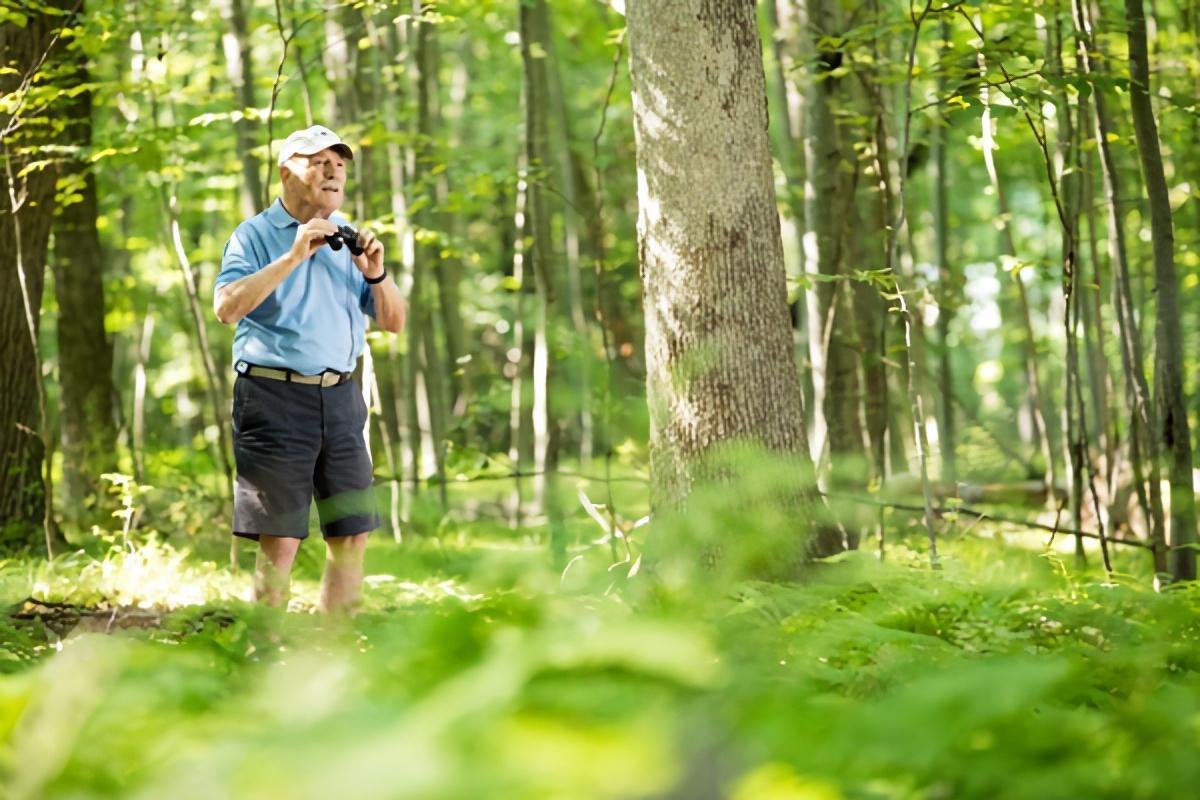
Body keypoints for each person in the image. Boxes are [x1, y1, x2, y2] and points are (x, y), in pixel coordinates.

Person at [213, 124, 406, 614]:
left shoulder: (352, 237)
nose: (333, 170)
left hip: (342, 399)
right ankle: (265, 655)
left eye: (339, 163)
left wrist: (376, 274)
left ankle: (334, 656)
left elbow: (395, 321)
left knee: (352, 532)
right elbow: (227, 308)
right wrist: (294, 255)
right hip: (273, 397)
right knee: (280, 541)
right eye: (318, 161)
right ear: (286, 172)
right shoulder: (254, 235)